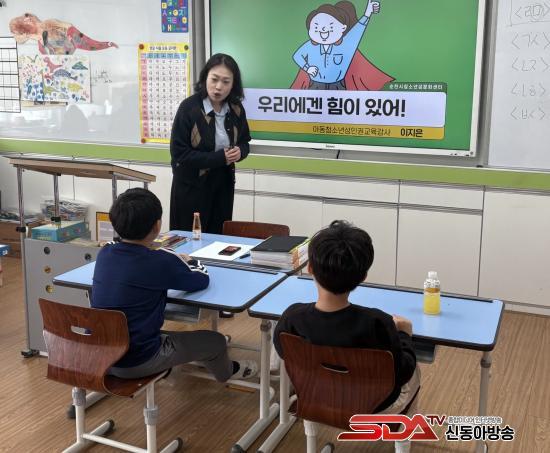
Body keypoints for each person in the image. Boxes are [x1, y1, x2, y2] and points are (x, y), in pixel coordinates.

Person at [91, 188, 257, 381]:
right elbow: (200, 280)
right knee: (216, 341)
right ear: (157, 225)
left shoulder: (105, 253)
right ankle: (229, 372)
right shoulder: (160, 261)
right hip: (136, 361)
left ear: (114, 223)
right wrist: (191, 261)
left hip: (100, 353)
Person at [274, 220, 419, 413]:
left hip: (316, 395)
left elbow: (284, 352)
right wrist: (405, 335)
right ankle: (401, 428)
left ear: (310, 269)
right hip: (373, 406)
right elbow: (402, 372)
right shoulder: (378, 323)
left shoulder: (292, 317)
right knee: (415, 369)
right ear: (363, 277)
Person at [169, 53, 251, 233]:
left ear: (233, 84)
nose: (218, 87)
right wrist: (220, 158)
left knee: (219, 237)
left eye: (226, 82)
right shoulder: (189, 108)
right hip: (191, 188)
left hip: (223, 185)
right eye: (214, 79)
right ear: (205, 77)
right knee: (189, 239)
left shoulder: (236, 108)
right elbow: (179, 154)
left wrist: (241, 152)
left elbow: (245, 141)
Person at [290, 0, 393, 90]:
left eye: (331, 27)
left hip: (337, 85)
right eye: (316, 28)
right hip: (315, 84)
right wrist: (307, 68)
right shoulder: (309, 46)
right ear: (310, 30)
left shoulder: (345, 45)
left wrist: (367, 14)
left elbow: (358, 30)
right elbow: (297, 56)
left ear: (343, 28)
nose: (323, 31)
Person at [9, 13, 118, 55]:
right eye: (24, 21)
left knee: (87, 43)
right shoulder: (40, 44)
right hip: (59, 50)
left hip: (66, 40)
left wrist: (107, 44)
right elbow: (19, 39)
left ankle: (108, 44)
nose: (27, 19)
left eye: (27, 19)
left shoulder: (47, 24)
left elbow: (69, 27)